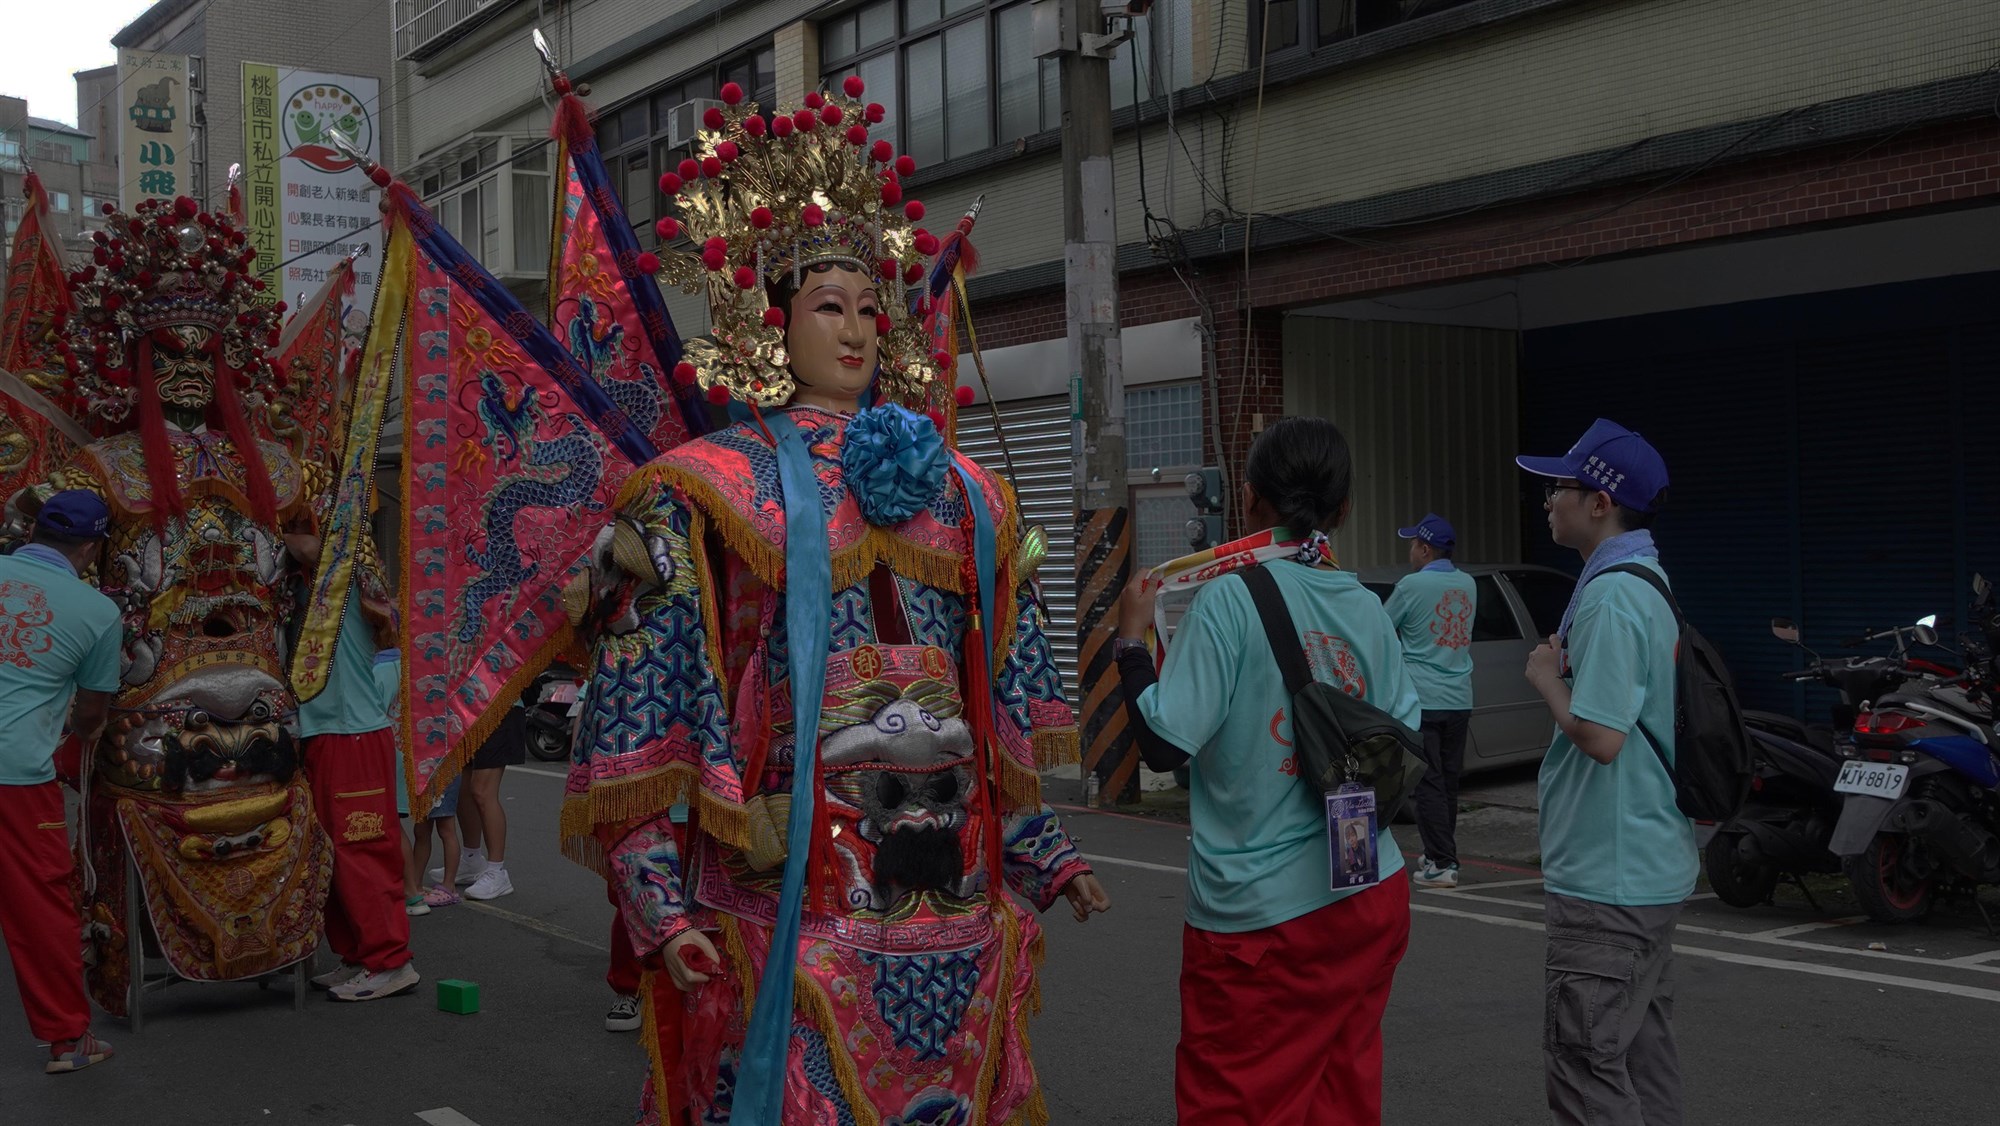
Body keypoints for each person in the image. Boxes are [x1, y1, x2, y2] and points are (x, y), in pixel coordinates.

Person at [563, 78, 1107, 1125]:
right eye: (827, 304)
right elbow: (648, 705)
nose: (856, 329)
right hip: (786, 885)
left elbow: (988, 686)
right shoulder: (705, 488)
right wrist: (657, 899)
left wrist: (1042, 849)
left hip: (951, 878)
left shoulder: (964, 492)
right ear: (769, 321)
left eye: (870, 307)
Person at [22, 196, 331, 1017]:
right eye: (170, 353)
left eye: (208, 352)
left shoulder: (275, 465)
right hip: (153, 701)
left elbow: (319, 575)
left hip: (259, 691)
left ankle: (276, 941)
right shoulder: (101, 469)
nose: (191, 366)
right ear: (136, 361)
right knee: (160, 766)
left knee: (270, 760)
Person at [1114, 417, 1420, 1126]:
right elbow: (1402, 738)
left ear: (1248, 500)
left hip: (1260, 921)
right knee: (1338, 1097)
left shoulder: (1227, 599)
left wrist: (1130, 644)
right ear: (1342, 511)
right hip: (1369, 889)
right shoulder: (1369, 609)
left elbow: (1166, 744)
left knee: (1237, 1104)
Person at [1517, 418, 1691, 1126]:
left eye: (1560, 486)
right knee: (1640, 1055)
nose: (1547, 499)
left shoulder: (1615, 595)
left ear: (1600, 502)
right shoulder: (1642, 578)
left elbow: (1601, 735)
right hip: (1642, 862)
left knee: (1588, 1067)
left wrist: (1542, 676)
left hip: (1609, 874)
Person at [0, 492, 120, 1072]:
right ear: (92, 549)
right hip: (17, 777)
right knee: (42, 907)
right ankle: (68, 1041)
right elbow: (93, 714)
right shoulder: (96, 611)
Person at [300, 570, 420, 1002]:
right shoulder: (306, 579)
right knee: (328, 851)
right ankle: (356, 955)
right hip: (321, 734)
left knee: (362, 851)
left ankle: (390, 961)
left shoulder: (343, 575)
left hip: (354, 734)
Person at [1386, 513, 1477, 888]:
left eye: (1412, 543)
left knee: (1428, 783)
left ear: (1424, 548)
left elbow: (1381, 625)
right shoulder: (1469, 584)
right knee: (1448, 782)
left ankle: (1442, 863)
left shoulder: (1411, 586)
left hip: (1423, 698)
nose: (1410, 550)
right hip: (1460, 697)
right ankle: (1439, 850)